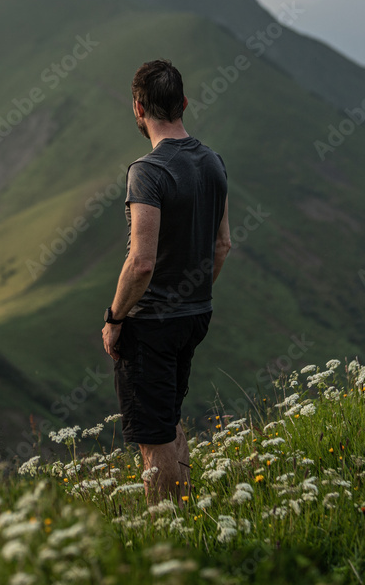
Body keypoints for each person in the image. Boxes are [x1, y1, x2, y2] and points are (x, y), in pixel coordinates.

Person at [101, 58, 231, 506]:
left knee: (153, 439)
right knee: (169, 418)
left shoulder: (148, 171)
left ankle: (171, 537)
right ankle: (190, 516)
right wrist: (194, 294)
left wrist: (115, 318)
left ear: (138, 108)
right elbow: (223, 245)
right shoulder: (213, 162)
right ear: (184, 103)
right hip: (195, 315)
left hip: (152, 322)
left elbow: (141, 262)